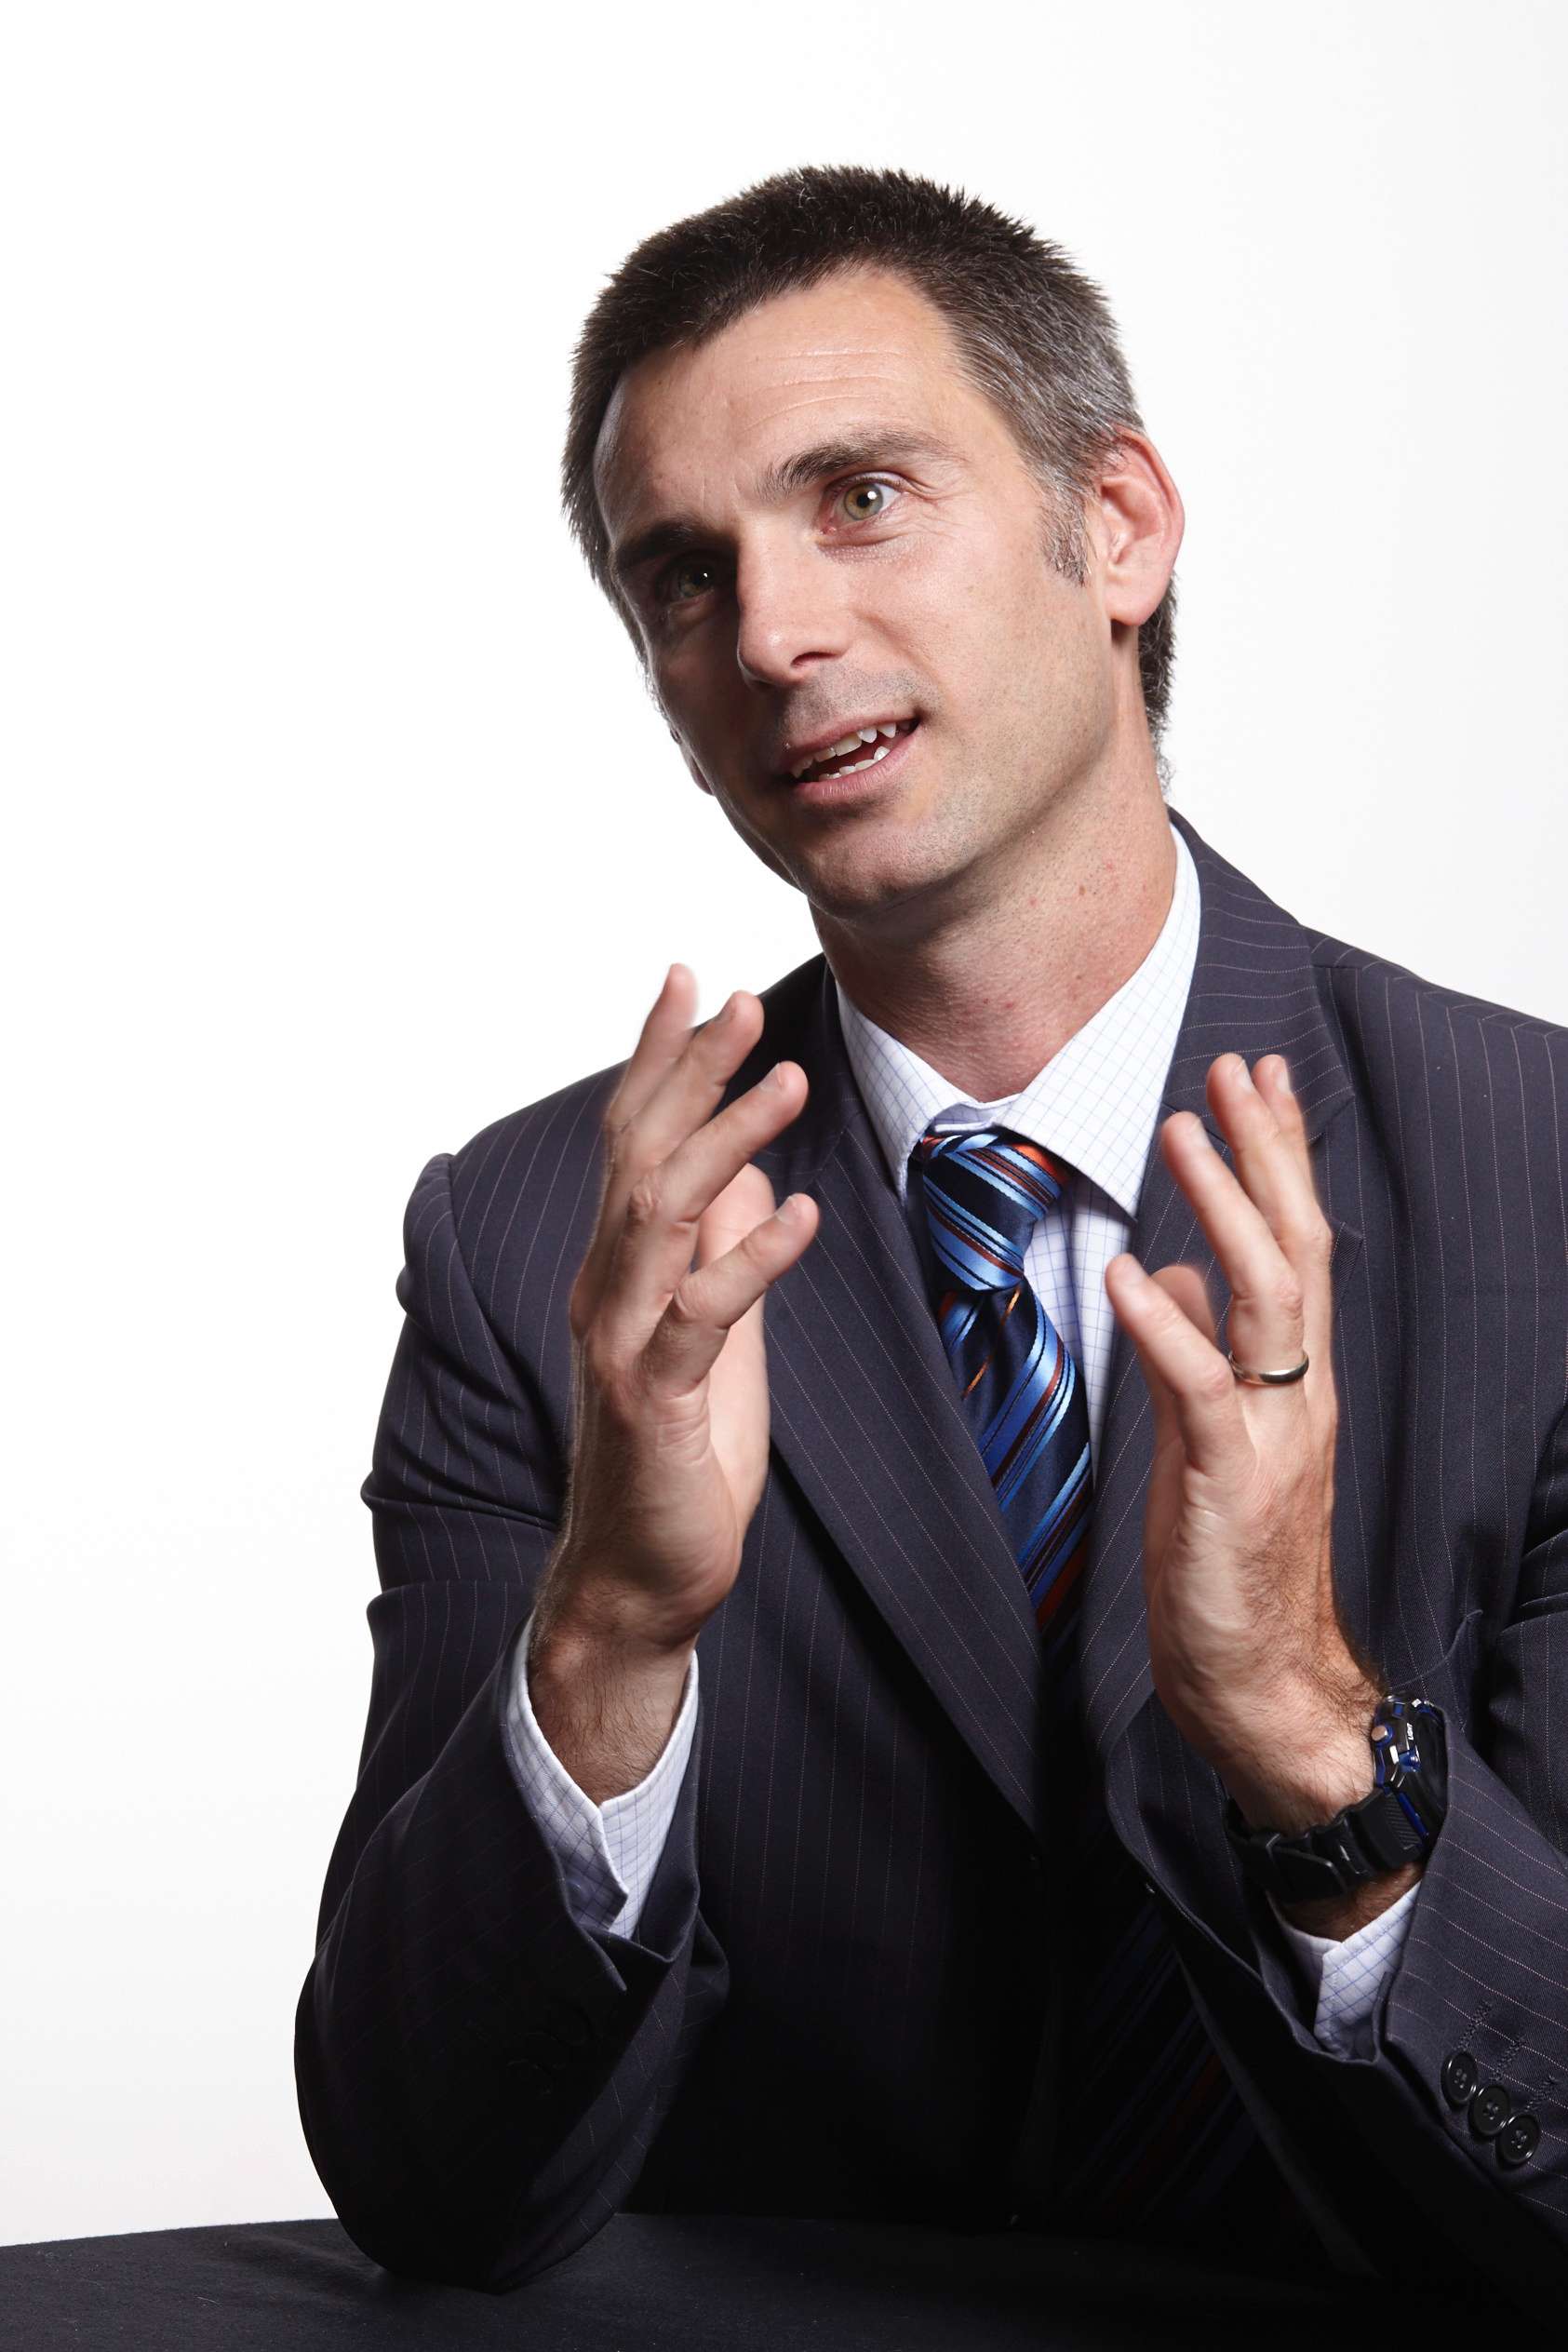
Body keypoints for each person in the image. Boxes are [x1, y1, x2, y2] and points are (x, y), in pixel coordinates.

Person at [294, 165, 1568, 2309]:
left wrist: (1305, 1733)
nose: (772, 634)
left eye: (861, 497)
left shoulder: (1537, 1174)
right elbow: (431, 2187)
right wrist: (610, 1632)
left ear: (1120, 528)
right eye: (684, 575)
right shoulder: (536, 1245)